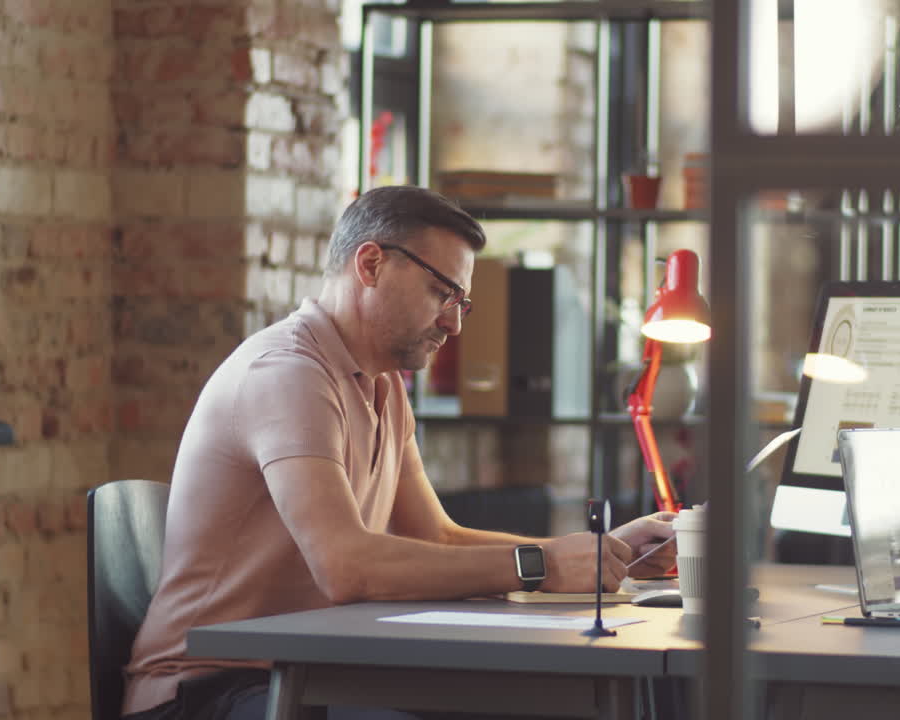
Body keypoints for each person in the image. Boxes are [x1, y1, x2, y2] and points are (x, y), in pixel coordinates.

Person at [121, 186, 678, 720]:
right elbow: (346, 568)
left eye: (462, 302)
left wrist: (600, 554)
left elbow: (435, 536)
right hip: (203, 691)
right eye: (442, 293)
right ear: (370, 265)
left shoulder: (382, 387)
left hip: (308, 673)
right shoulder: (288, 373)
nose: (453, 323)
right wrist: (545, 566)